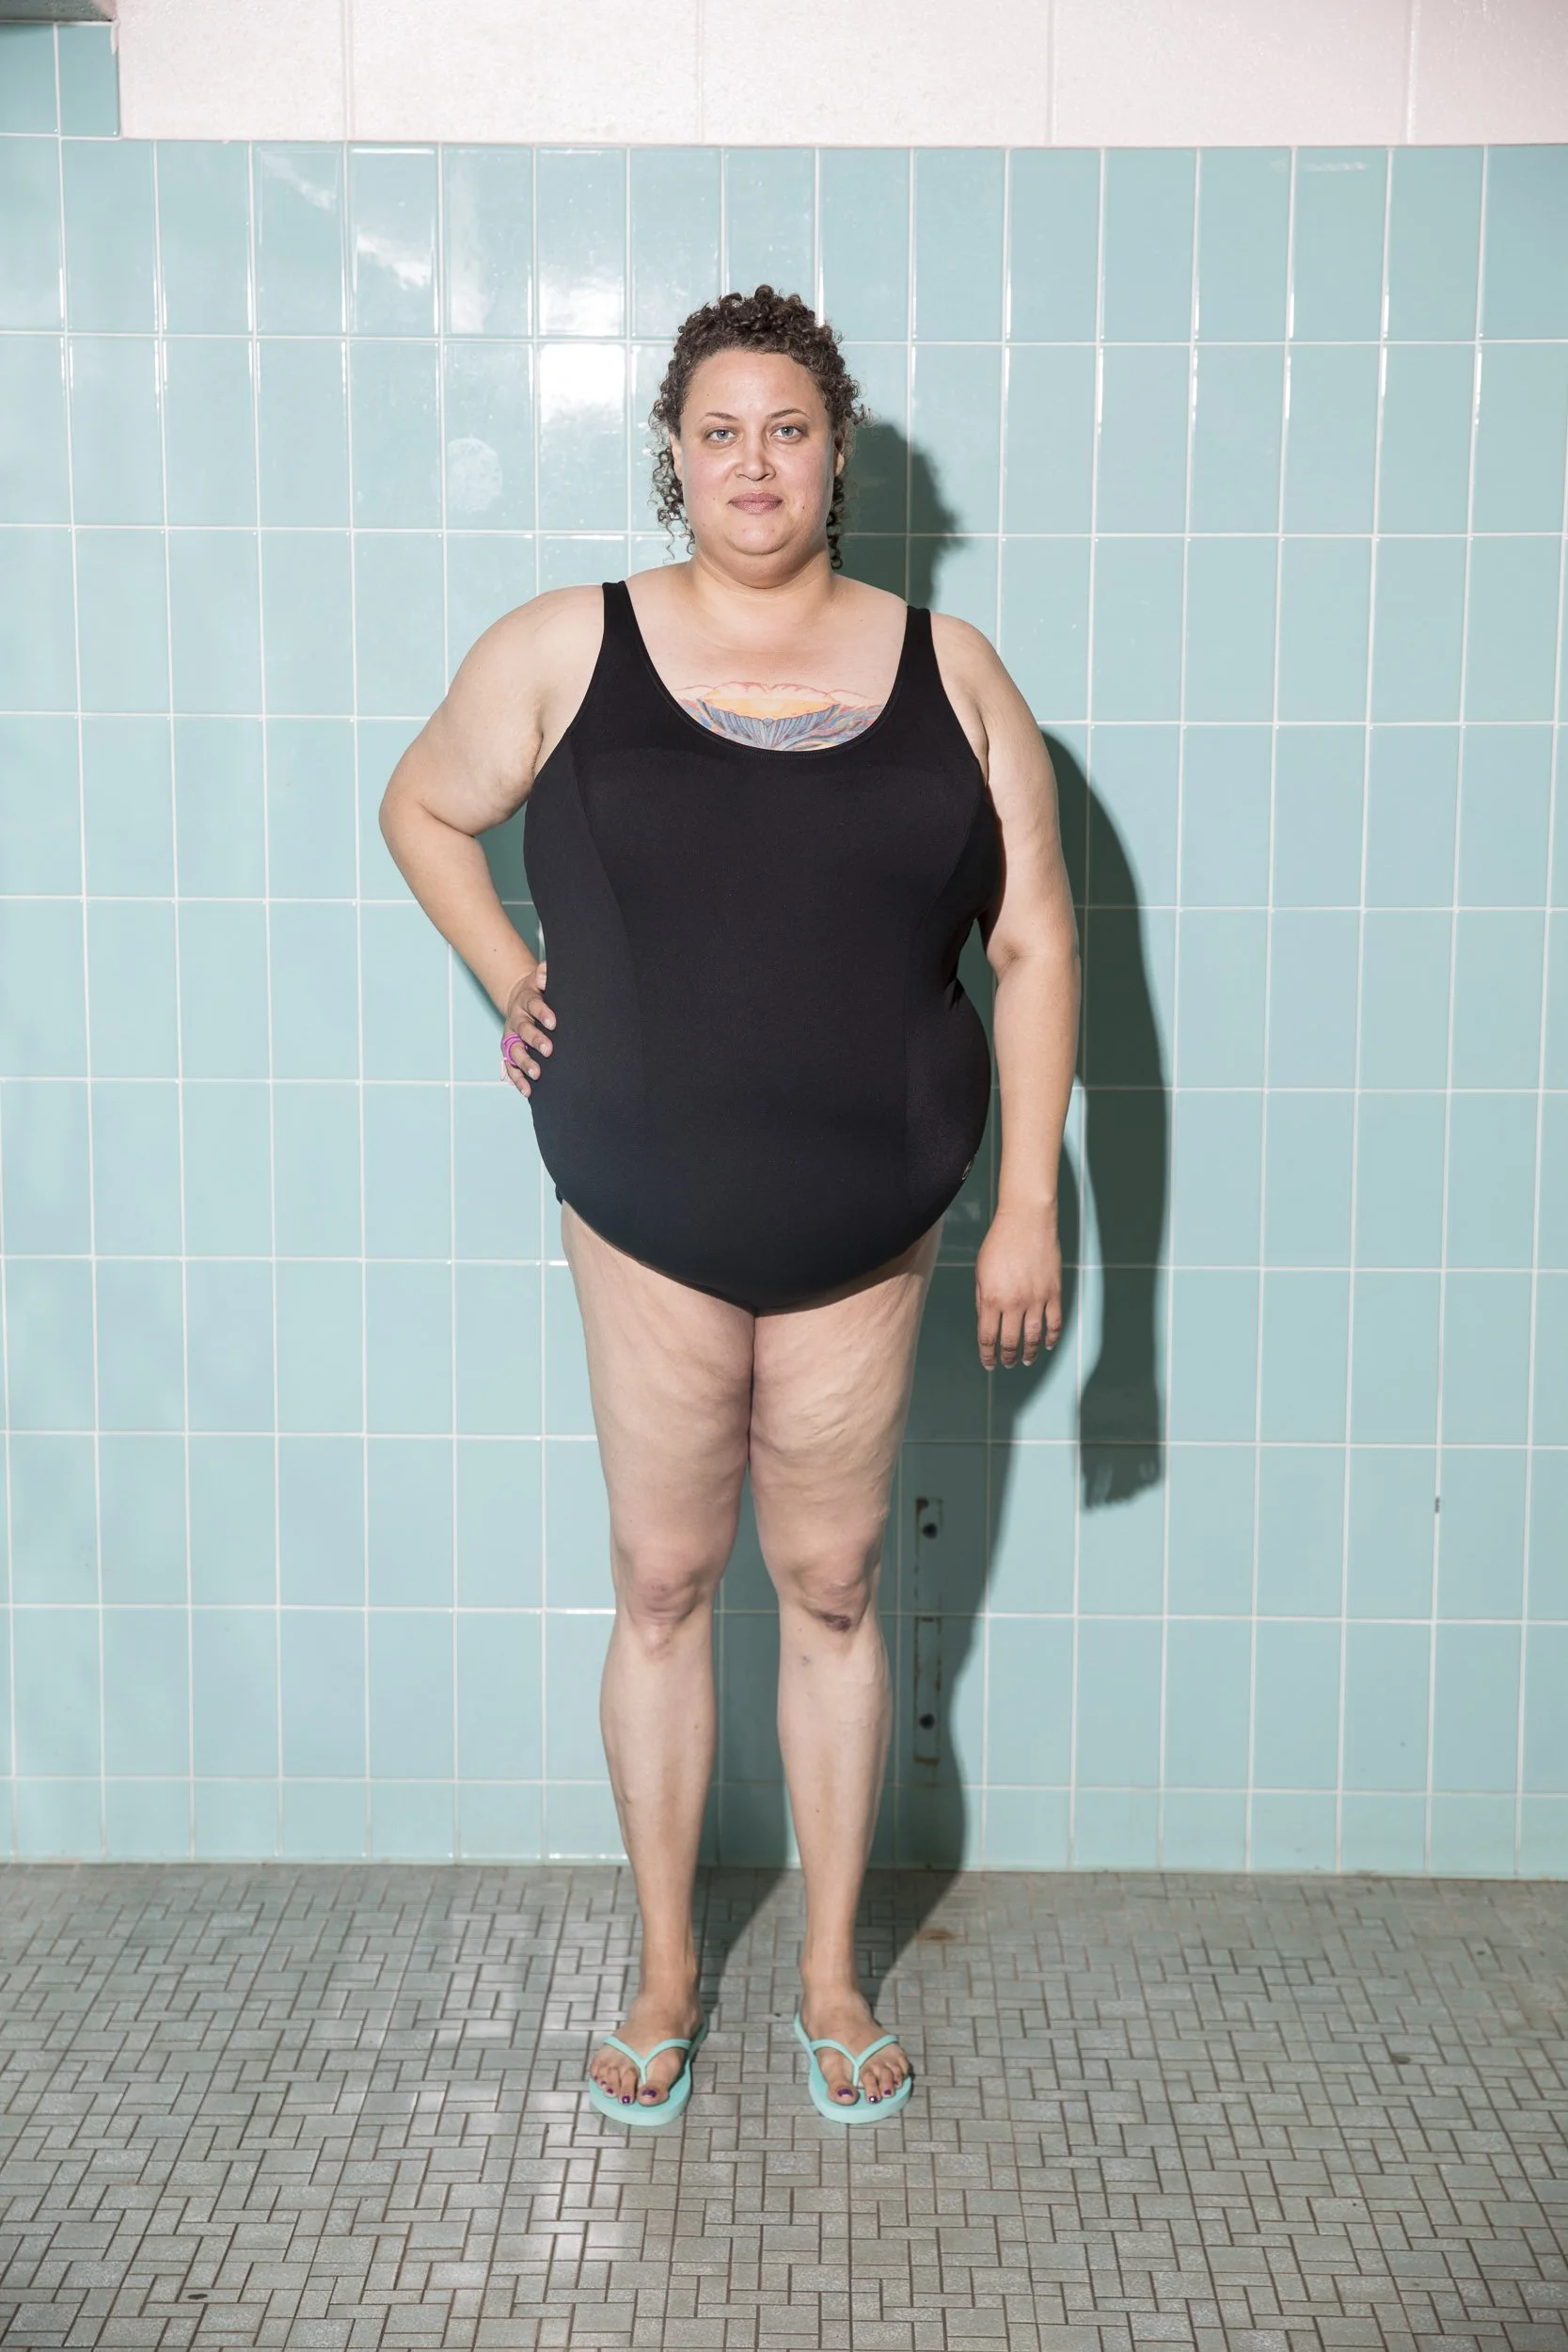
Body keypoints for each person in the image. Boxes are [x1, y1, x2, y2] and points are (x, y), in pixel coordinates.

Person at [379, 286, 1080, 2125]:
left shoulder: (953, 665)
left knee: (834, 1582)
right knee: (665, 1575)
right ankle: (669, 1965)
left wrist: (1028, 1208)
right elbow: (422, 805)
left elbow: (1030, 933)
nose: (751, 460)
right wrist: (501, 971)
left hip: (875, 1204)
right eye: (714, 428)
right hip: (638, 1196)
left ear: (838, 450)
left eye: (786, 426)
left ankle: (831, 1971)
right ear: (671, 456)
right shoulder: (567, 643)